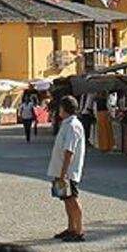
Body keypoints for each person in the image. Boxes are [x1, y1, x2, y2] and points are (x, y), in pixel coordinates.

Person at [48, 95, 87, 241]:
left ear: (64, 108)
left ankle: (79, 230)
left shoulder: (72, 125)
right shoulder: (66, 124)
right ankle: (71, 228)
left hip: (68, 171)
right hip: (61, 169)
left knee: (73, 199)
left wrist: (63, 173)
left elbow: (69, 151)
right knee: (66, 199)